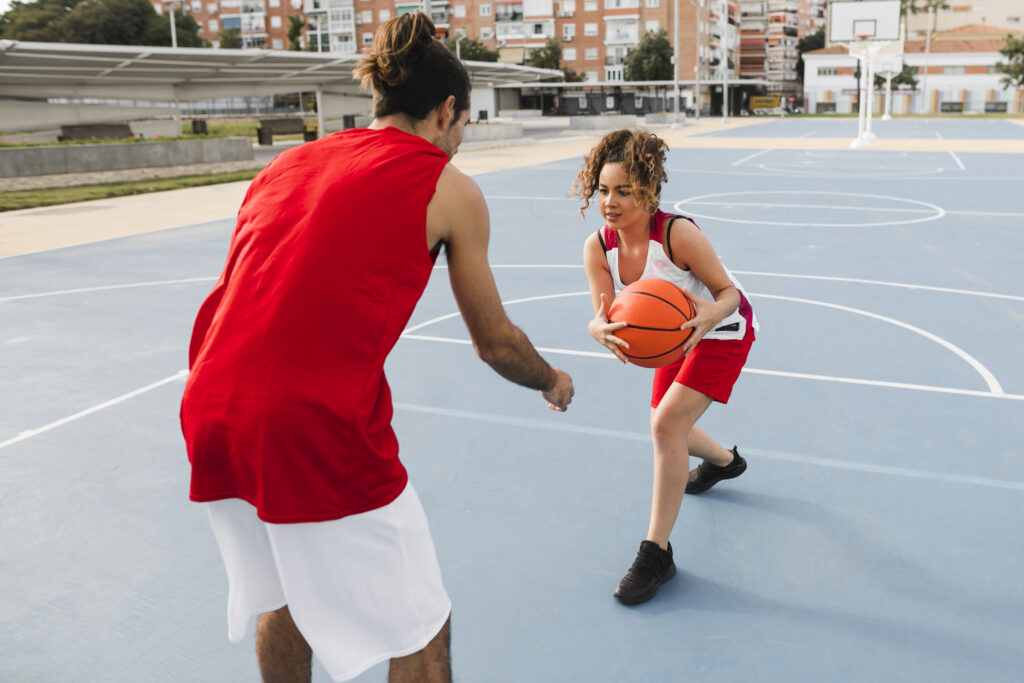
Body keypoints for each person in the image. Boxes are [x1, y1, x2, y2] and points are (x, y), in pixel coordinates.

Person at [180, 12, 574, 682]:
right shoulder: (445, 185)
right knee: (421, 627)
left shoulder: (287, 163)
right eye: (465, 122)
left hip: (211, 411)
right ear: (448, 110)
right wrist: (550, 378)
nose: (462, 138)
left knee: (286, 598)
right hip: (310, 424)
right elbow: (496, 343)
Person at [574, 129, 757, 606]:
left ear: (649, 192)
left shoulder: (678, 234)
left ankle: (656, 553)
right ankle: (725, 462)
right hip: (672, 336)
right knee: (665, 426)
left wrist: (707, 318)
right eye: (603, 190)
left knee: (665, 424)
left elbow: (729, 295)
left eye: (623, 191)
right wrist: (596, 328)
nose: (609, 202)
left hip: (720, 328)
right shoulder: (599, 246)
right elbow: (606, 311)